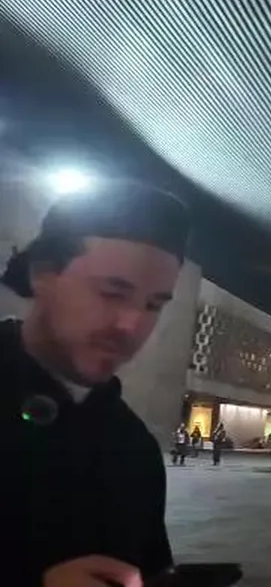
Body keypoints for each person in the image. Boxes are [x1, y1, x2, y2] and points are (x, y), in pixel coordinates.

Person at [0, 180, 190, 587]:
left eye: (153, 305)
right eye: (112, 293)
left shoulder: (133, 445)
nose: (132, 325)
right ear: (43, 274)